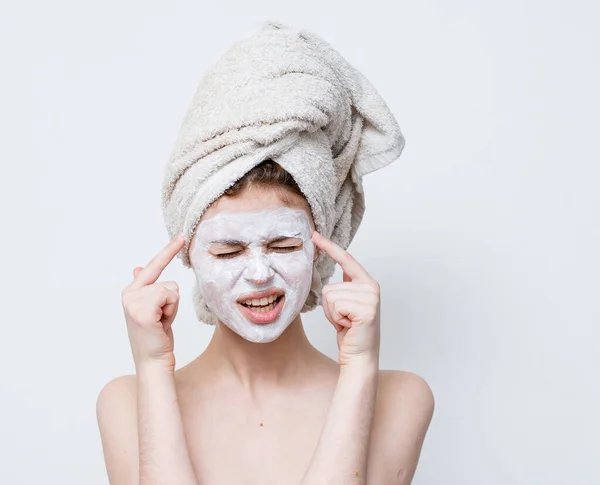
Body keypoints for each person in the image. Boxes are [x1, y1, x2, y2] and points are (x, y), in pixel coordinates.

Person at [96, 160, 435, 485]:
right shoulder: (128, 402)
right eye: (228, 252)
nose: (260, 275)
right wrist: (153, 366)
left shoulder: (399, 397)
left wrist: (360, 363)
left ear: (318, 249)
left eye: (284, 246)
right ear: (189, 257)